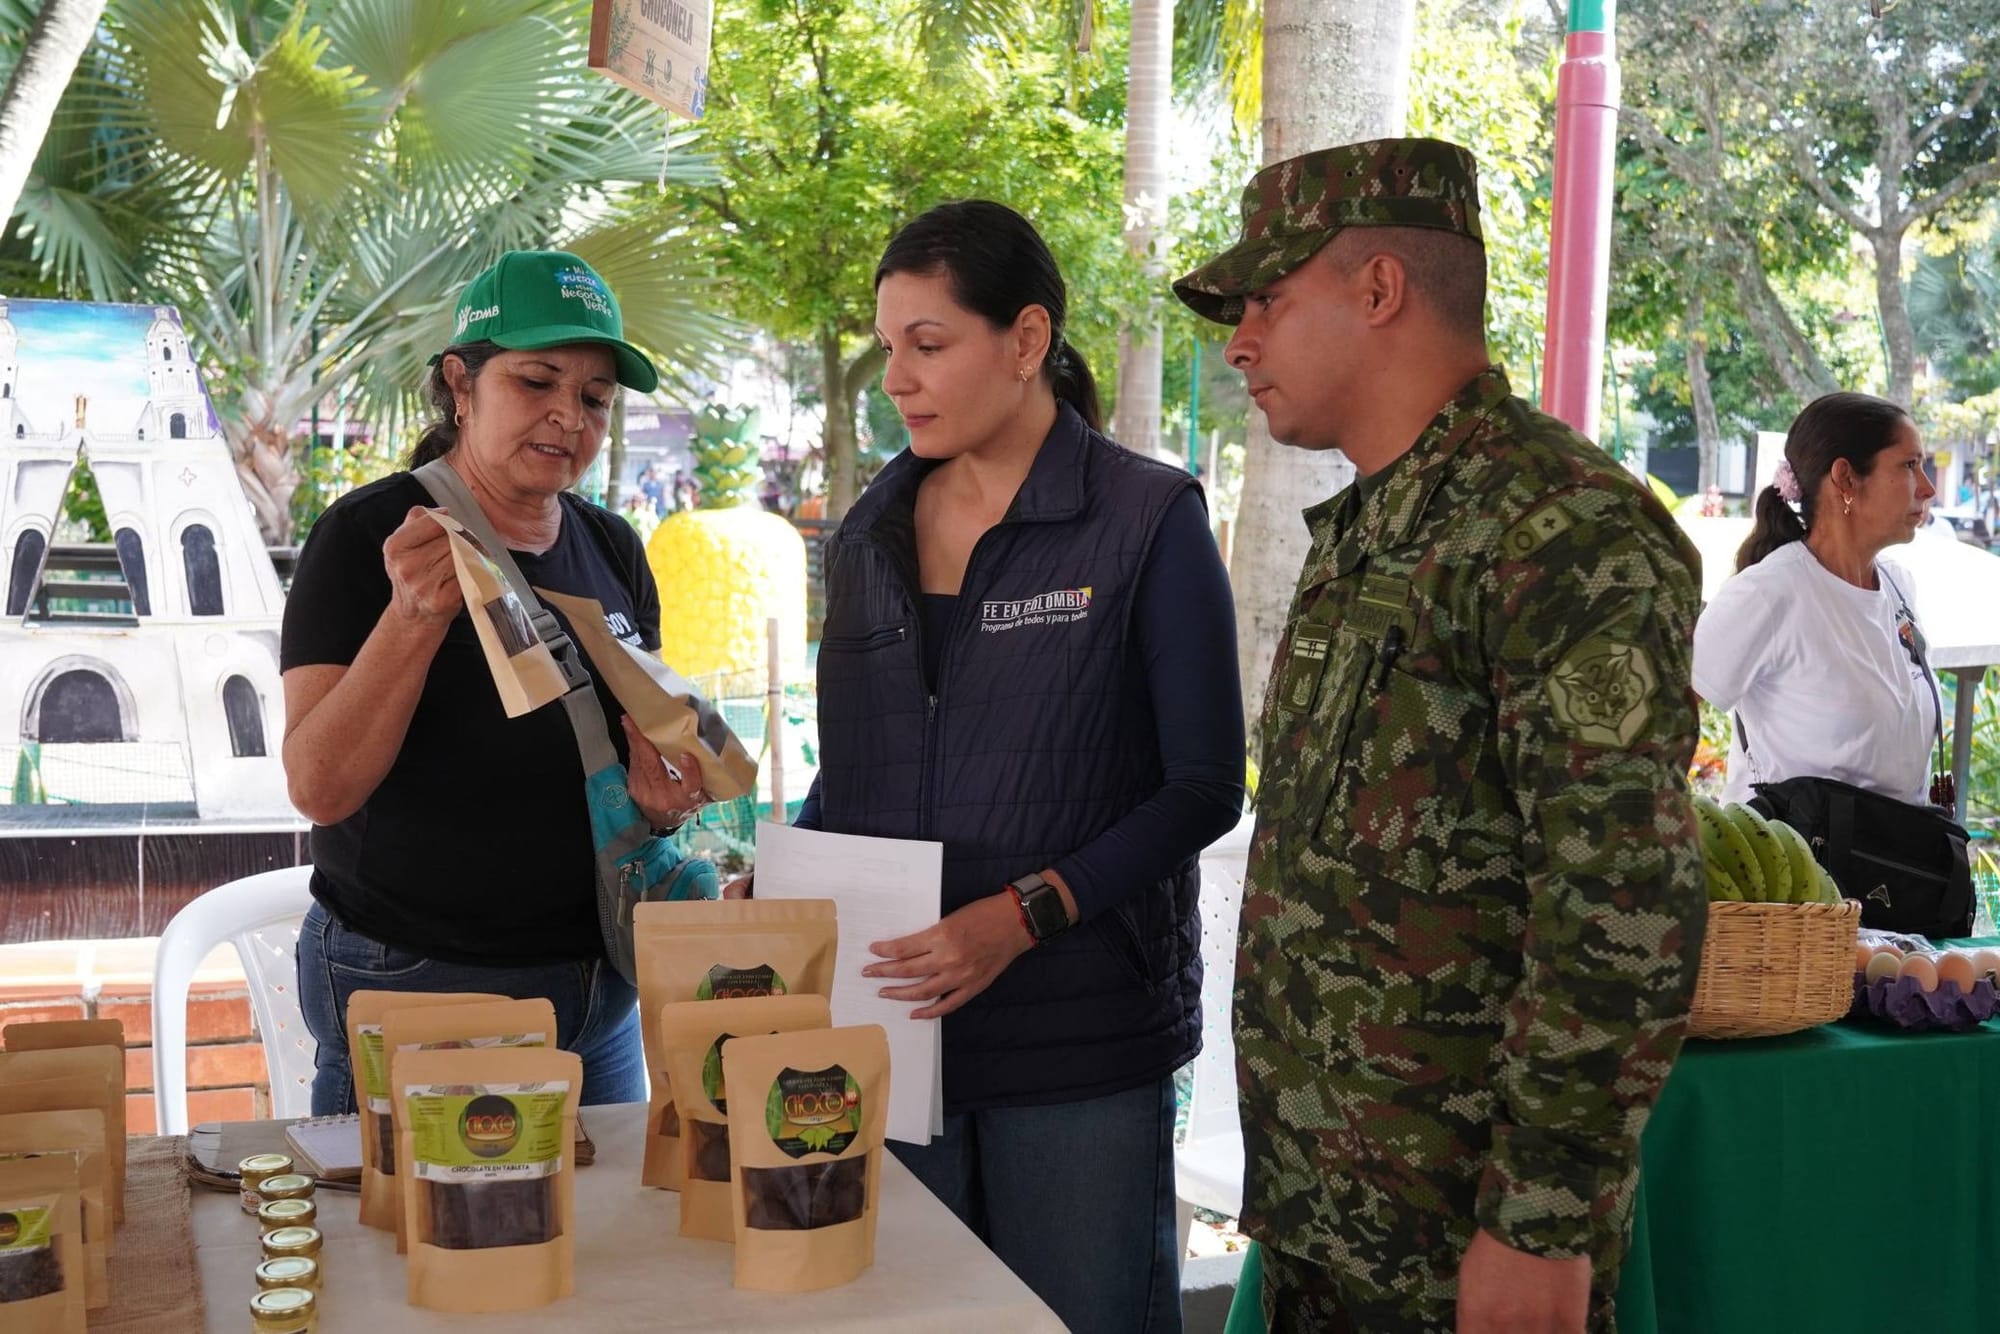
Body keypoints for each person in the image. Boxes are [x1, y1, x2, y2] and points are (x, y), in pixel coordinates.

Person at [1172, 139, 1706, 1333]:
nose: (1239, 340)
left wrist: (1538, 1220)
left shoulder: (1555, 527)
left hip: (1455, 1242)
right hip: (1329, 1214)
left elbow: (1620, 904)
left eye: (1266, 298)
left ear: (1378, 290)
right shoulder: (1369, 526)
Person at [791, 199, 1245, 1332]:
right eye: (888, 347)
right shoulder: (865, 536)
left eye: (928, 344)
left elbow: (1201, 785)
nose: (896, 376)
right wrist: (786, 880)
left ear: (1027, 340)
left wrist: (1022, 914)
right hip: (890, 1029)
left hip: (1079, 1039)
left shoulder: (1146, 519)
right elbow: (849, 776)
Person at [282, 250, 713, 1114]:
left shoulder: (613, 546)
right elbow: (319, 787)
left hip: (601, 988)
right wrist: (411, 620)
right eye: (536, 381)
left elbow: (624, 764)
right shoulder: (369, 536)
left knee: (593, 1245)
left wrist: (664, 800)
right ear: (461, 383)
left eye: (593, 398)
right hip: (424, 980)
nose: (567, 416)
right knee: (422, 1245)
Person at [1694, 392, 1940, 805]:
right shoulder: (1769, 594)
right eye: (1910, 465)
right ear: (1845, 477)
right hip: (1790, 864)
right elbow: (1664, 717)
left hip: (1893, 864)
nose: (1928, 489)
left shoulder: (1898, 587)